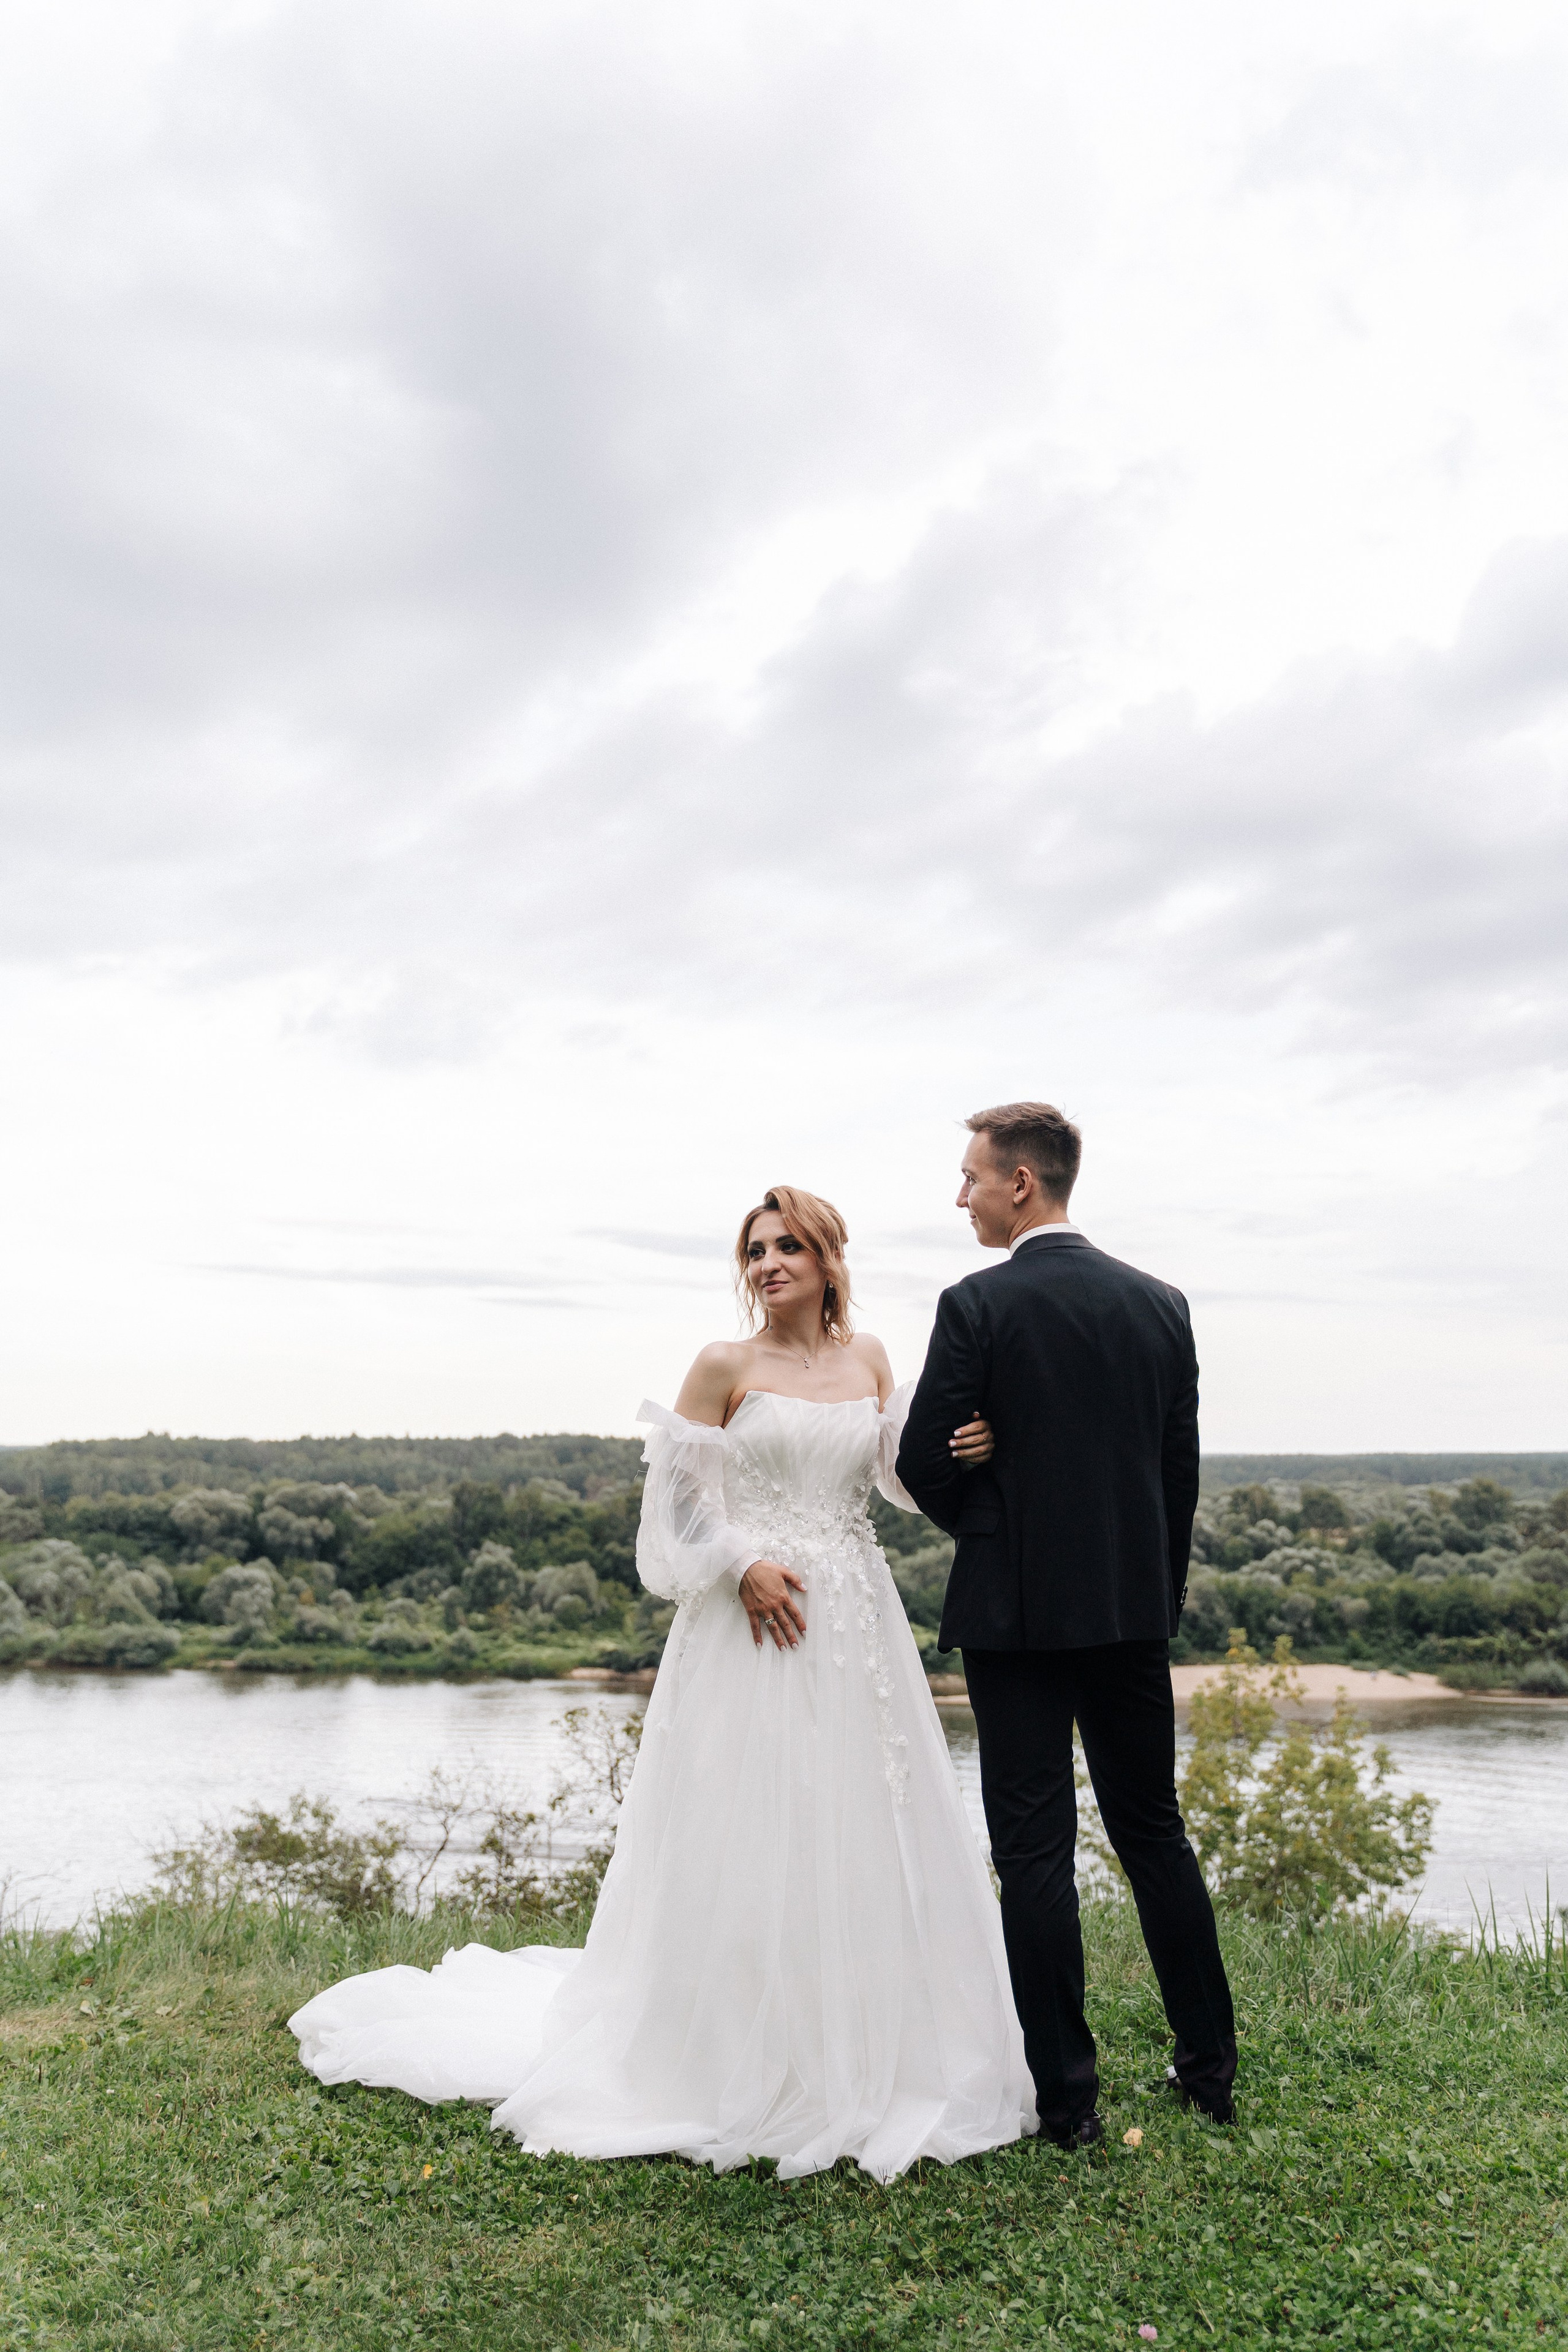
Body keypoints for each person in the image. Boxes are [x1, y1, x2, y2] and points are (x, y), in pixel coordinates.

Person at [289, 1185, 1035, 2181]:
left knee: (858, 1813)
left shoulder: (869, 1359)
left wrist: (962, 1445)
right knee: (746, 1819)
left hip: (855, 1619)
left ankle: (862, 2041)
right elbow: (677, 1505)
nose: (768, 1265)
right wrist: (742, 1562)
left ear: (827, 1259)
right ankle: (720, 2046)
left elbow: (897, 1476)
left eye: (788, 1247)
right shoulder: (723, 1364)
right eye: (756, 1250)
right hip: (752, 1617)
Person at [896, 1102, 1237, 2150]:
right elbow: (1176, 1475)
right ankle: (1210, 2072)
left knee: (1035, 1851)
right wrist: (1154, 1593)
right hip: (1131, 1613)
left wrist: (987, 1512)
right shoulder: (1161, 1304)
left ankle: (1069, 2104)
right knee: (1154, 1833)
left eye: (971, 1178)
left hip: (1015, 1617)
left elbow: (920, 1459)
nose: (961, 1196)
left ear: (1021, 1184)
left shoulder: (976, 1304)